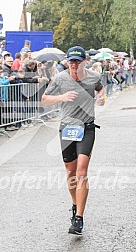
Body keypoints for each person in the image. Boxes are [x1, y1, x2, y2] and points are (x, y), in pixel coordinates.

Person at [41, 46, 105, 235]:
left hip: (87, 127)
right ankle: (75, 205)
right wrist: (62, 97)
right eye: (71, 61)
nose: (74, 64)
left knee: (81, 171)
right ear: (67, 62)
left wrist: (101, 98)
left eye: (78, 61)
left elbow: (101, 90)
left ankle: (79, 219)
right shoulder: (60, 78)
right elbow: (45, 98)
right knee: (70, 171)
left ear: (85, 60)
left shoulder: (93, 77)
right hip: (67, 129)